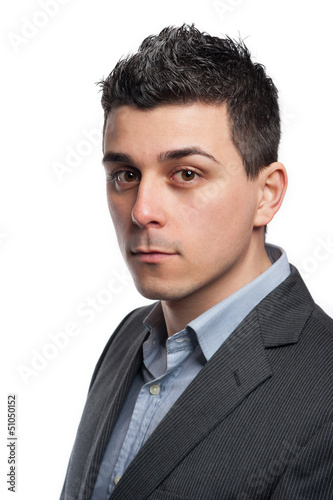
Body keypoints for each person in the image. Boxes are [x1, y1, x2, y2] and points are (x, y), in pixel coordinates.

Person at [60, 24, 333, 500]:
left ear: (267, 195)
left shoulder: (324, 385)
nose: (142, 210)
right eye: (125, 174)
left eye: (185, 174)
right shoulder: (128, 338)